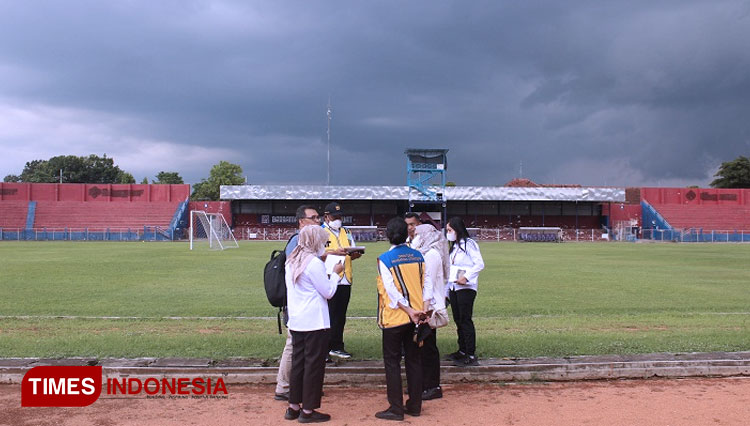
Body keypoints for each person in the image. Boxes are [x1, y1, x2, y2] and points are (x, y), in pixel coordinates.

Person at [284, 226, 343, 423]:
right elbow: (327, 292)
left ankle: (293, 406)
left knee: (298, 364)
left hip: (297, 320)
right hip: (315, 322)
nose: (324, 245)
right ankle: (308, 410)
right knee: (313, 366)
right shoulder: (314, 263)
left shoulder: (292, 259)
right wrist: (335, 274)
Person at [374, 217, 426, 421]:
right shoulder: (418, 256)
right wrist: (419, 310)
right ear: (407, 234)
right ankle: (415, 405)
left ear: (388, 235)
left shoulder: (384, 259)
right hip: (416, 317)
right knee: (414, 360)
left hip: (395, 318)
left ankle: (395, 408)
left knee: (392, 362)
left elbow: (391, 291)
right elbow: (426, 285)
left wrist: (407, 309)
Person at [274, 205, 321, 401]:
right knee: (293, 344)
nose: (318, 221)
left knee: (299, 346)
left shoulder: (308, 241)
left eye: (318, 217)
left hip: (302, 304)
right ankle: (284, 387)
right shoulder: (296, 241)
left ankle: (298, 386)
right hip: (297, 305)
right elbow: (297, 269)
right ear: (301, 221)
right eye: (313, 217)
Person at [412, 223, 450, 400]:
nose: (415, 236)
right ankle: (422, 384)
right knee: (420, 346)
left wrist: (425, 310)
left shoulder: (432, 254)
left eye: (418, 234)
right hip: (423, 304)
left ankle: (433, 385)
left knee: (428, 347)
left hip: (430, 307)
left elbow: (427, 280)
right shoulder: (425, 252)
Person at [321, 202, 362, 360]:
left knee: (340, 315)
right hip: (328, 277)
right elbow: (318, 253)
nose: (338, 219)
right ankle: (324, 348)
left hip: (345, 278)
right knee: (328, 314)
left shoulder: (346, 231)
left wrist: (355, 254)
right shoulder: (320, 232)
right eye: (334, 216)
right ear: (326, 217)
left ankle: (337, 346)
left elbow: (351, 248)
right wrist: (333, 252)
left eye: (340, 216)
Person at [445, 217, 485, 367]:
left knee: (465, 320)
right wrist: (447, 290)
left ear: (457, 229)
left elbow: (479, 264)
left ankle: (470, 354)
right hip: (454, 287)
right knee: (458, 319)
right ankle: (462, 350)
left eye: (450, 230)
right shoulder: (454, 247)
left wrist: (466, 277)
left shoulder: (469, 244)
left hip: (466, 288)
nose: (448, 233)